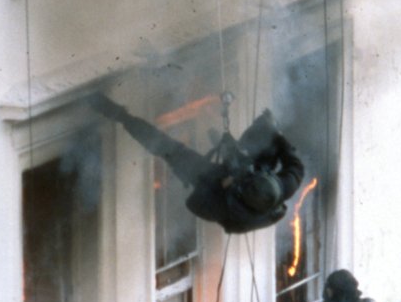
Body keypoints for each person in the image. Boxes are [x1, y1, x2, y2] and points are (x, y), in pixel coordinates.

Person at [90, 94, 304, 234]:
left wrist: (222, 182)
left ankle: (122, 116)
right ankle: (263, 131)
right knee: (266, 140)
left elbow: (193, 203)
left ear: (239, 192)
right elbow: (295, 165)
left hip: (212, 186)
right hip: (240, 176)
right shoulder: (280, 187)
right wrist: (276, 135)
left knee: (170, 149)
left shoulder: (224, 210)